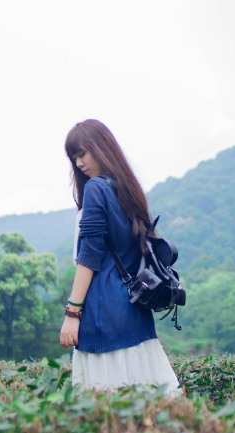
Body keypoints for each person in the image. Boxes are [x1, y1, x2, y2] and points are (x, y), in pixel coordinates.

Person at [60, 118, 180, 393]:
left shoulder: (96, 188)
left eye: (82, 154)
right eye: (74, 158)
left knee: (106, 412)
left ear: (100, 148)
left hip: (104, 313)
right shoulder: (125, 187)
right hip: (135, 308)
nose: (78, 163)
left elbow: (89, 255)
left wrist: (72, 312)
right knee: (152, 403)